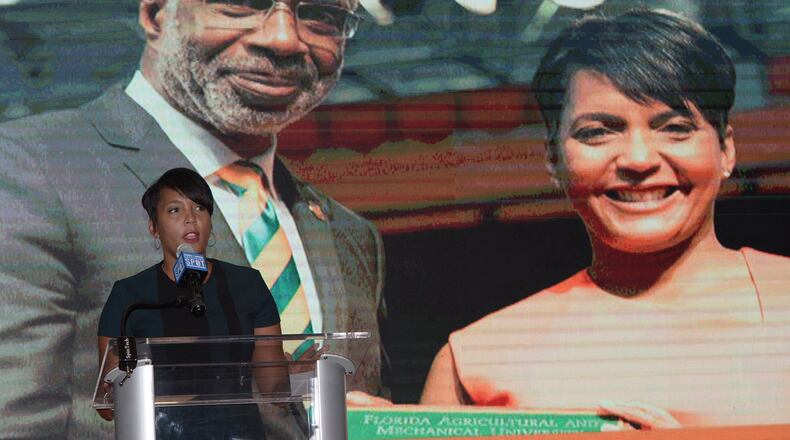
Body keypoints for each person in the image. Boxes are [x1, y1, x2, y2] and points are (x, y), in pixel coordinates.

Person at [0, 0, 385, 437]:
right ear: (156, 13)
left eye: (322, 15)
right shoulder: (32, 169)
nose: (283, 39)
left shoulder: (350, 235)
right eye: (243, 5)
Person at [420, 9, 790, 429]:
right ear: (553, 159)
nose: (638, 159)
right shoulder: (474, 362)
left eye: (675, 127)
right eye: (598, 132)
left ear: (725, 149)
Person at [97, 167, 286, 438]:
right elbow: (107, 406)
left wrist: (303, 373)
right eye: (175, 210)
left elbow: (274, 388)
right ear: (153, 226)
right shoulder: (129, 298)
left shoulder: (247, 285)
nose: (190, 219)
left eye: (200, 208)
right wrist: (115, 390)